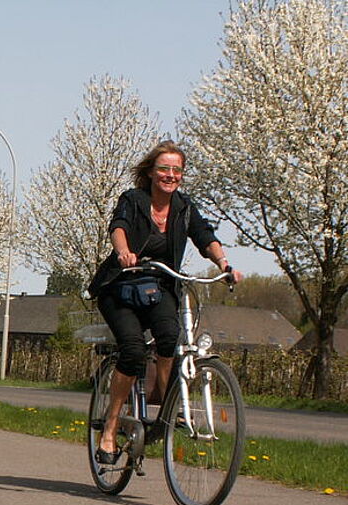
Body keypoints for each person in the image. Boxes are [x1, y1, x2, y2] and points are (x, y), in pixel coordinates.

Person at [87, 140, 243, 465]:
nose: (170, 175)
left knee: (170, 339)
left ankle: (168, 411)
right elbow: (119, 227)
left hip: (160, 286)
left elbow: (205, 237)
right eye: (163, 169)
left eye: (176, 170)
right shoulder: (133, 199)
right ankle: (111, 425)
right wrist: (123, 252)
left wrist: (224, 264)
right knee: (131, 350)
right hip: (122, 287)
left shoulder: (184, 208)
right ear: (151, 172)